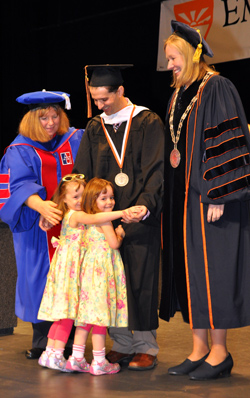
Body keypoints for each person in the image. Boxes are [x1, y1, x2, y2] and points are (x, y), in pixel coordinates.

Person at [159, 20, 250, 380]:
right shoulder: (179, 94)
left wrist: (220, 194)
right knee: (191, 274)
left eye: (173, 58)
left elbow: (226, 142)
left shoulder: (217, 88)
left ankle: (220, 352)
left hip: (212, 200)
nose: (169, 66)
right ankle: (198, 349)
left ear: (191, 54)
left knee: (214, 273)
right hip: (184, 204)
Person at [73, 64, 164, 370]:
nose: (100, 106)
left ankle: (145, 346)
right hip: (104, 219)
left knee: (140, 279)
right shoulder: (95, 127)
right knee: (109, 281)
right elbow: (83, 172)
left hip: (138, 216)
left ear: (120, 91)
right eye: (95, 100)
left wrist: (146, 205)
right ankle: (122, 344)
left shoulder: (147, 121)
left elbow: (155, 170)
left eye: (104, 99)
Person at [0, 90, 84, 359]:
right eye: (44, 117)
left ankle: (69, 339)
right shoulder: (18, 149)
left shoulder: (75, 139)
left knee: (72, 278)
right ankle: (41, 340)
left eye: (55, 116)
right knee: (39, 280)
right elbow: (15, 186)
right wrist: (40, 205)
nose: (50, 123)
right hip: (36, 230)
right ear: (31, 120)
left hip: (74, 227)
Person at [38, 175, 137, 373]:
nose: (80, 200)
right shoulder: (77, 215)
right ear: (63, 199)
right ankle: (58, 355)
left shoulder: (76, 215)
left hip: (77, 270)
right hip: (72, 271)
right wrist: (122, 218)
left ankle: (53, 353)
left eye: (83, 195)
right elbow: (98, 222)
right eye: (75, 196)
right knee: (68, 316)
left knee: (68, 316)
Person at [66, 177, 128, 375]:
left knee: (86, 317)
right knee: (101, 317)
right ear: (92, 200)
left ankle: (76, 358)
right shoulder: (105, 220)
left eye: (111, 197)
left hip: (89, 273)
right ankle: (99, 361)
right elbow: (113, 244)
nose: (109, 202)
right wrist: (120, 234)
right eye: (104, 198)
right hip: (102, 275)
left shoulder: (87, 220)